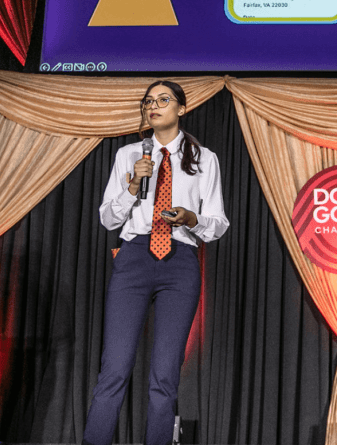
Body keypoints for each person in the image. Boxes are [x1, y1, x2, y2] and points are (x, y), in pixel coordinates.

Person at [84, 80, 229, 445]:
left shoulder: (204, 158)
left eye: (164, 100)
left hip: (179, 260)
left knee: (165, 374)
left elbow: (218, 223)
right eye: (149, 101)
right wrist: (134, 185)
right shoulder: (128, 155)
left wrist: (190, 218)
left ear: (181, 108)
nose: (154, 106)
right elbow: (108, 219)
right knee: (114, 366)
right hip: (134, 256)